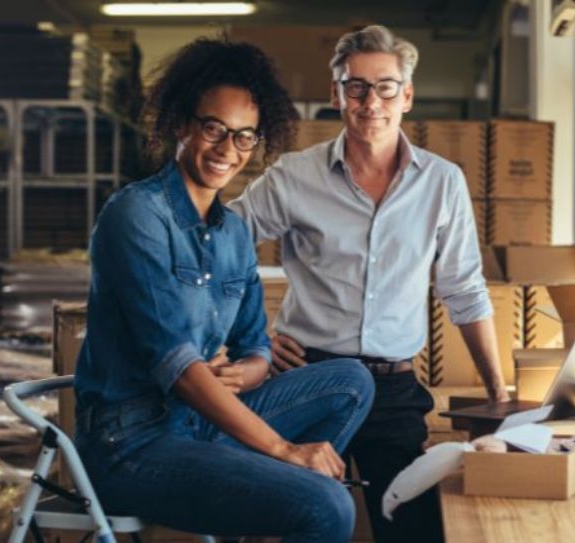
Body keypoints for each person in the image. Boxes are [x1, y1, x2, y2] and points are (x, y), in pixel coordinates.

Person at [73, 37, 375, 542]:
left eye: (244, 137)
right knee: (328, 507)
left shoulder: (233, 231)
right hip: (130, 443)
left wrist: (239, 373)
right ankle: (288, 496)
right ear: (180, 124)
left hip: (198, 424)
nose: (226, 150)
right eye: (214, 128)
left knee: (351, 381)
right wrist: (281, 449)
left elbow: (256, 345)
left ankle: (270, 498)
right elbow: (178, 368)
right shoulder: (137, 216)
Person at [229, 25, 510, 543]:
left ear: (406, 95)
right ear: (337, 95)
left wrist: (498, 390)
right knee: (290, 525)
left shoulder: (442, 182)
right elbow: (217, 249)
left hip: (394, 388)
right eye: (354, 86)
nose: (369, 100)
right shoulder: (295, 176)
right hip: (309, 378)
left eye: (384, 86)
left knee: (413, 529)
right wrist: (253, 340)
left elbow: (464, 289)